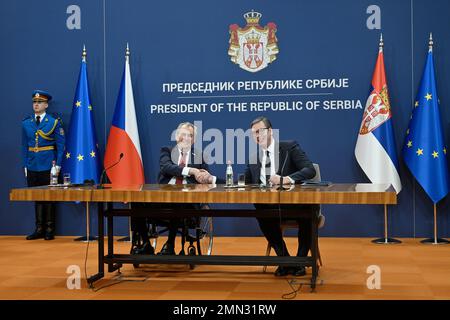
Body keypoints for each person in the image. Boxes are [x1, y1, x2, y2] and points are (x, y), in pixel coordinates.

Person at [245, 116, 320, 276]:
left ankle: (300, 261)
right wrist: (214, 179)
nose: (257, 136)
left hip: (296, 204)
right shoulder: (253, 158)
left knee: (308, 208)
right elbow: (245, 184)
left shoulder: (289, 147)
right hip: (270, 207)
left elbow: (309, 170)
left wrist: (288, 179)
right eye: (254, 133)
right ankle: (284, 260)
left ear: (270, 131)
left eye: (260, 131)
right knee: (259, 207)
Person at [130, 122, 217, 256]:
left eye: (190, 135)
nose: (186, 138)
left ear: (193, 140)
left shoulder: (200, 157)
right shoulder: (166, 151)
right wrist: (191, 171)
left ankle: (170, 245)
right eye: (183, 134)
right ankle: (146, 243)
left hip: (187, 202)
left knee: (179, 199)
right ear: (177, 136)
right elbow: (166, 167)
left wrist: (205, 177)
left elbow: (205, 180)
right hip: (162, 198)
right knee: (136, 200)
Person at [22, 90, 65, 240]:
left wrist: (58, 166)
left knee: (49, 197)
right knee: (37, 197)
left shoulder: (54, 122)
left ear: (46, 105)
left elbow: (61, 146)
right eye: (34, 102)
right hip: (33, 165)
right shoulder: (26, 123)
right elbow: (24, 146)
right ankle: (39, 228)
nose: (36, 105)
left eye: (39, 102)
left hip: (48, 164)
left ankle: (49, 228)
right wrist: (25, 165)